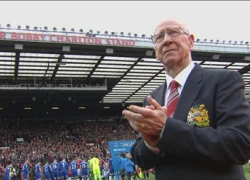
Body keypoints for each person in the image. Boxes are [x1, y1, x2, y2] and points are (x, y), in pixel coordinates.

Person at [122, 19, 250, 180]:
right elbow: (141, 159)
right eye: (159, 37)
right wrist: (151, 144)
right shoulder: (152, 98)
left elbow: (239, 146)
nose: (167, 40)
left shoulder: (223, 80)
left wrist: (166, 128)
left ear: (190, 42)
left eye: (174, 32)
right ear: (156, 51)